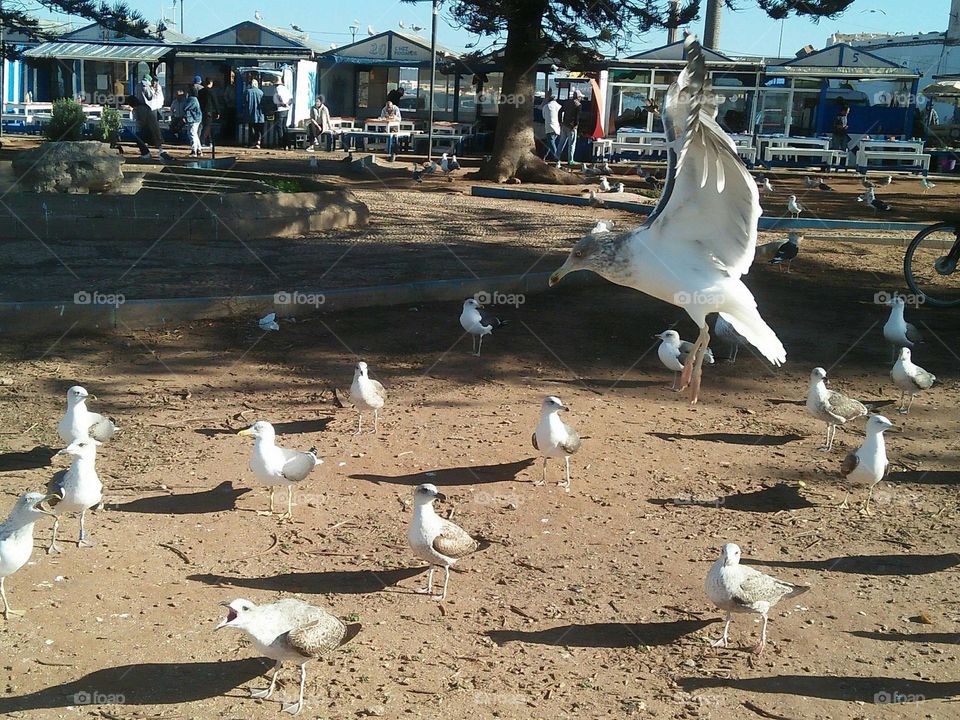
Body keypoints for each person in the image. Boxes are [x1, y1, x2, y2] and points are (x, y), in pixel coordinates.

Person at [132, 74, 172, 161]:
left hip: (140, 110)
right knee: (154, 130)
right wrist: (154, 91)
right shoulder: (145, 86)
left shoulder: (137, 86)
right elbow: (150, 97)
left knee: (142, 131)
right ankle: (158, 151)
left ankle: (145, 152)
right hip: (147, 110)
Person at [558, 89, 582, 165]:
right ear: (578, 97)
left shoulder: (567, 102)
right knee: (571, 144)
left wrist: (560, 121)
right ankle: (570, 160)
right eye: (580, 97)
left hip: (564, 125)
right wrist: (575, 125)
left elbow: (560, 111)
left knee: (561, 142)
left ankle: (556, 157)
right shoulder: (578, 105)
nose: (581, 98)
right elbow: (577, 117)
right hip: (571, 127)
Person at [198, 78, 220, 148]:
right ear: (210, 83)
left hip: (202, 110)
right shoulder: (211, 91)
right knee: (207, 126)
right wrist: (218, 112)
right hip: (209, 111)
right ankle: (202, 141)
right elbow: (215, 102)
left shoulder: (201, 91)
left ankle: (209, 141)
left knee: (207, 126)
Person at [243, 78, 265, 149]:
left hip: (250, 113)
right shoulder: (261, 92)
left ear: (251, 85)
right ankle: (258, 143)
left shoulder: (247, 92)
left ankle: (252, 143)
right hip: (259, 114)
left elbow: (244, 102)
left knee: (251, 129)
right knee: (258, 129)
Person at [272, 80, 293, 149]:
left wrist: (282, 104)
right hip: (286, 110)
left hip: (280, 109)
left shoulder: (278, 89)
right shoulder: (286, 89)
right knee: (284, 127)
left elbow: (279, 97)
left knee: (279, 127)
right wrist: (287, 105)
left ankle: (281, 144)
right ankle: (288, 144)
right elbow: (291, 99)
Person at [541, 92, 562, 163]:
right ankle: (543, 157)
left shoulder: (546, 106)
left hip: (549, 126)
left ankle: (557, 158)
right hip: (557, 127)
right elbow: (561, 117)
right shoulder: (559, 106)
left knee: (551, 142)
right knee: (549, 143)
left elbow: (543, 117)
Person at [184, 86, 203, 157]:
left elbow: (185, 107)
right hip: (195, 119)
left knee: (192, 134)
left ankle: (194, 151)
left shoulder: (192, 99)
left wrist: (185, 98)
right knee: (195, 134)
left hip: (194, 119)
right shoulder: (195, 99)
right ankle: (199, 150)